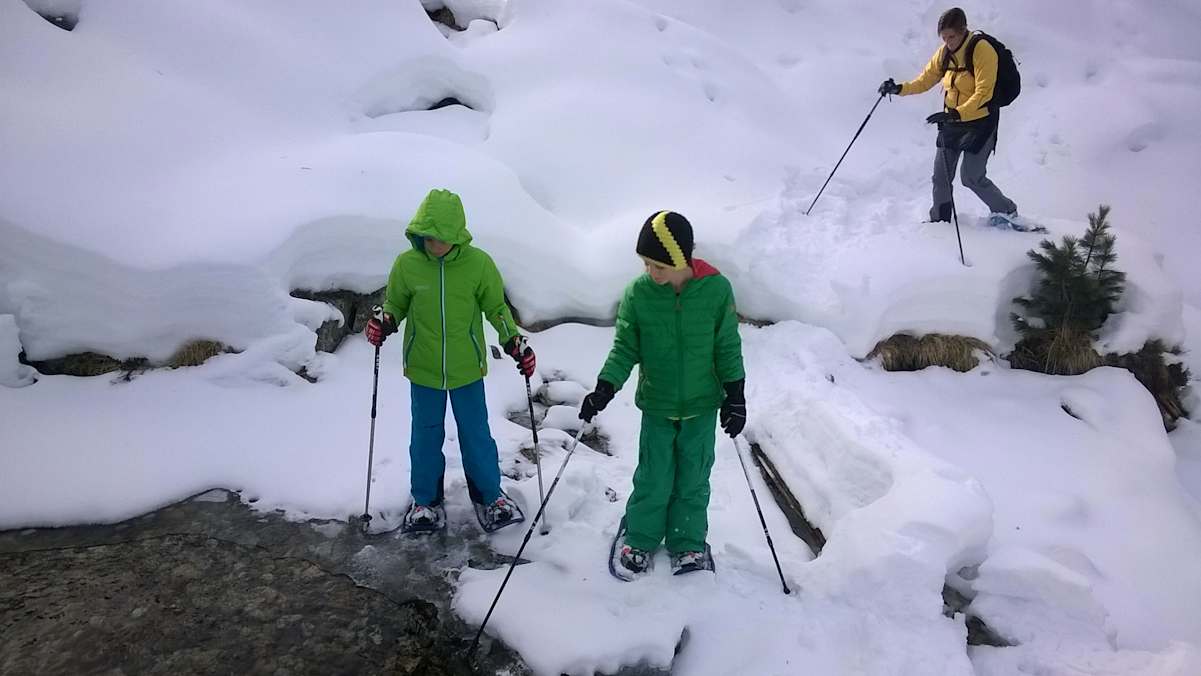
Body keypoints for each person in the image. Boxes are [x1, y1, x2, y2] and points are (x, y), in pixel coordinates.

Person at [579, 210, 746, 578]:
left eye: (658, 265)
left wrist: (736, 394)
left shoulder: (716, 291)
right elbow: (625, 348)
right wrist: (605, 386)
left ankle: (687, 542)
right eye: (646, 264)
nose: (650, 273)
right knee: (654, 477)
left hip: (702, 406)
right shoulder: (639, 295)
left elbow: (727, 347)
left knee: (693, 479)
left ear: (681, 259)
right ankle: (640, 536)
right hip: (657, 404)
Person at [365, 188, 536, 533]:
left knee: (476, 434)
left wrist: (513, 341)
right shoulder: (408, 265)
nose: (434, 245)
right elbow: (395, 303)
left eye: (441, 238)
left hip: (467, 369)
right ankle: (425, 501)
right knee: (425, 436)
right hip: (424, 368)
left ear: (457, 235)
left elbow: (496, 309)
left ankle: (490, 495)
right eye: (428, 237)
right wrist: (384, 320)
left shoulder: (478, 264)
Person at [879, 7, 1019, 227]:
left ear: (963, 30)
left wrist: (957, 113)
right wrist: (898, 88)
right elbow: (924, 80)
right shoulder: (944, 53)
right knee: (940, 176)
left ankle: (1007, 212)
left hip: (981, 121)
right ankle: (940, 221)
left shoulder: (981, 50)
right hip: (953, 121)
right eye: (944, 38)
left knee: (971, 177)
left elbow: (984, 93)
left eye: (951, 37)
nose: (948, 42)